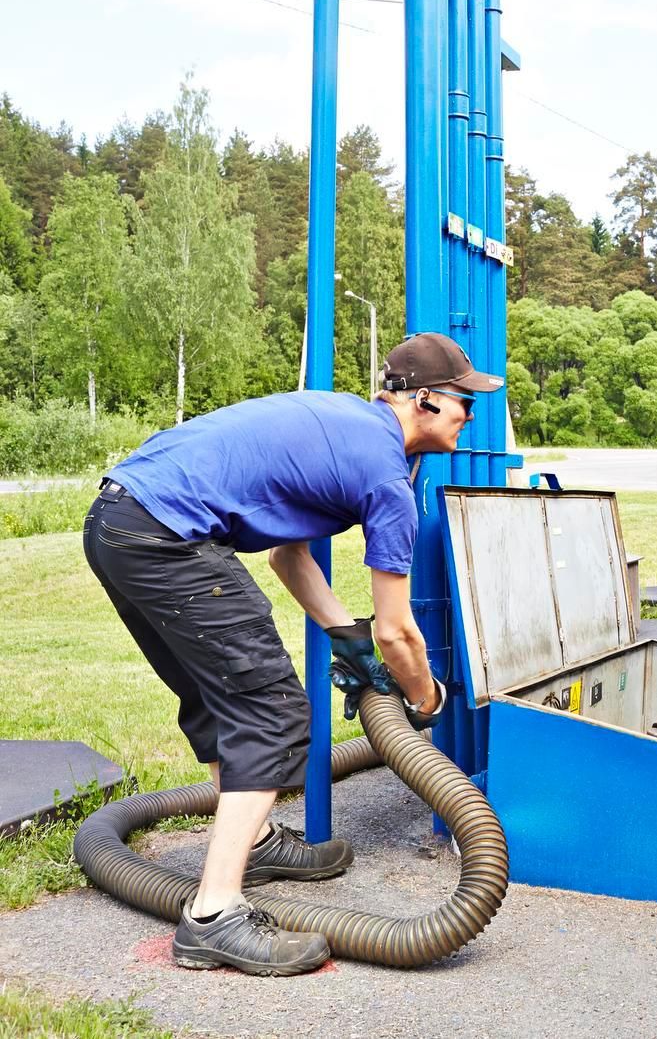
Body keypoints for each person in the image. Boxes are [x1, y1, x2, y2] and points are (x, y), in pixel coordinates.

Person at [82, 332, 502, 976]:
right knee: (272, 709)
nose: (470, 416)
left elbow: (289, 555)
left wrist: (344, 635)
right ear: (422, 400)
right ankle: (212, 917)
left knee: (218, 693)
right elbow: (397, 632)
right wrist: (425, 698)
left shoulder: (350, 428)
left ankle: (253, 841)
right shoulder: (387, 475)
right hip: (167, 535)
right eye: (462, 404)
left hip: (119, 523)